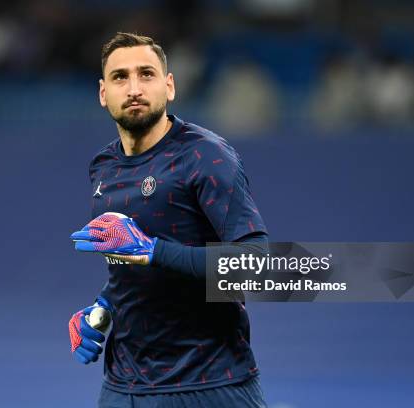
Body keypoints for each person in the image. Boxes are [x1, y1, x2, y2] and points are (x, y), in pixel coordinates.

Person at [68, 32, 268, 408]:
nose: (134, 88)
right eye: (120, 77)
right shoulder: (103, 166)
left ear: (169, 85)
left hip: (211, 385)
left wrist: (153, 251)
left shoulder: (206, 156)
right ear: (102, 93)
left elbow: (254, 264)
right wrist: (103, 308)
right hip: (124, 387)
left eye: (146, 74)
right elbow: (130, 267)